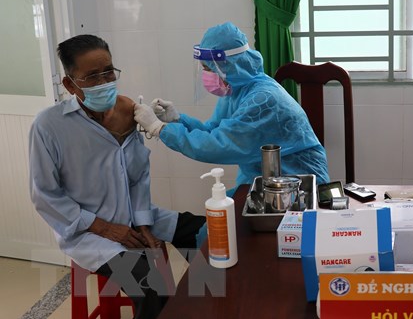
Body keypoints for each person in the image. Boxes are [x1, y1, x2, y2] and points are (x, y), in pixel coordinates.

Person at [29, 35, 206, 319]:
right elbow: (45, 194)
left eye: (108, 72)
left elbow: (137, 176)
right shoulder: (49, 126)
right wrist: (106, 228)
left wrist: (144, 221)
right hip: (86, 231)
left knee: (205, 233)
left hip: (134, 216)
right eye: (92, 77)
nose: (104, 82)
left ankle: (213, 303)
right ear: (69, 84)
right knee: (152, 284)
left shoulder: (126, 112)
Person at [133, 22, 329, 191]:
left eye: (209, 69)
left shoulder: (263, 100)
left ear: (228, 65)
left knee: (221, 229)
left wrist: (159, 129)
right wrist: (177, 119)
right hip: (263, 181)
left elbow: (218, 145)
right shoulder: (235, 89)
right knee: (212, 228)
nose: (206, 76)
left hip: (296, 184)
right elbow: (214, 130)